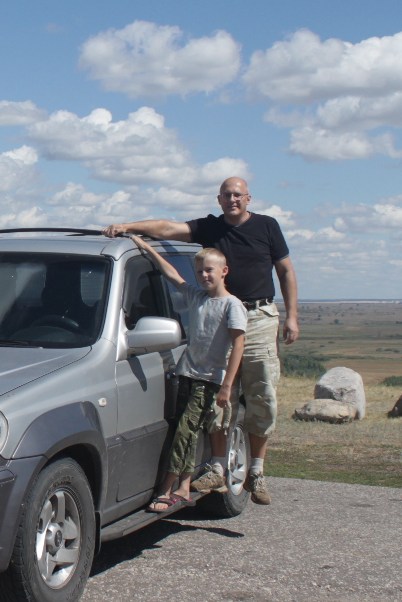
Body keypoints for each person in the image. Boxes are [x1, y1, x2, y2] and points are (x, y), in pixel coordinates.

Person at [104, 176, 299, 505]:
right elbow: (167, 229)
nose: (232, 199)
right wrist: (127, 226)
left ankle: (257, 472)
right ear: (219, 199)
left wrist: (292, 316)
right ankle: (218, 468)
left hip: (259, 316)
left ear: (248, 198)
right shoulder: (210, 228)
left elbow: (286, 271)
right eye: (226, 195)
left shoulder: (267, 226)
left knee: (262, 393)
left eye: (238, 195)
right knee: (221, 397)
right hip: (220, 317)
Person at [128, 236, 245, 512]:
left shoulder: (232, 306)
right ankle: (184, 485)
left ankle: (166, 488)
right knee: (187, 431)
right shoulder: (197, 297)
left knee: (183, 431)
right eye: (200, 271)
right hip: (187, 373)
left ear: (223, 271)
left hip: (210, 380)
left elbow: (239, 345)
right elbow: (172, 275)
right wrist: (147, 249)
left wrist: (227, 386)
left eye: (209, 271)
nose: (204, 276)